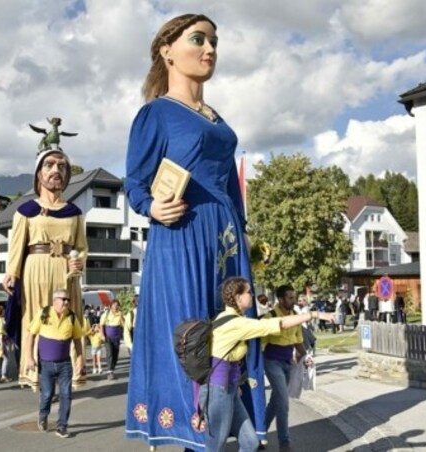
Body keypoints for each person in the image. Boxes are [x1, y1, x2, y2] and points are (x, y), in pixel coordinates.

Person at [124, 13, 265, 450]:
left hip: (225, 239)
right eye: (198, 39)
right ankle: (196, 436)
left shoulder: (217, 119)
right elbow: (134, 181)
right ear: (166, 50)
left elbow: (229, 185)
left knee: (233, 338)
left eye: (214, 42)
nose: (209, 50)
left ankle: (236, 434)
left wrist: (244, 235)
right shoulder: (157, 114)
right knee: (197, 342)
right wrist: (152, 207)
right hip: (183, 234)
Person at [203, 277, 322, 451]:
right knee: (215, 446)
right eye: (249, 292)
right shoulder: (236, 323)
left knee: (250, 442)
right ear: (238, 298)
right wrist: (313, 314)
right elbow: (278, 324)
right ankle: (284, 442)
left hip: (228, 388)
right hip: (218, 389)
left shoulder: (230, 318)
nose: (252, 295)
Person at [3, 148, 87, 391]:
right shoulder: (25, 211)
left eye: (61, 167)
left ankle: (72, 370)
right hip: (35, 269)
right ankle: (34, 371)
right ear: (39, 174)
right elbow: (17, 246)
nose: (56, 171)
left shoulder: (75, 213)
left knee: (68, 318)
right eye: (49, 165)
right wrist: (12, 272)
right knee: (36, 319)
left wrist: (78, 260)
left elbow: (81, 247)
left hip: (66, 271)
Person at [263, 285, 334, 451]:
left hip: (288, 362)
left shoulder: (295, 315)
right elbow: (261, 345)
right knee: (283, 401)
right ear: (280, 300)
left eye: (294, 297)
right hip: (272, 362)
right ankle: (285, 443)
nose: (294, 301)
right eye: (290, 298)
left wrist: (305, 357)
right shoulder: (270, 316)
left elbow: (297, 339)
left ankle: (260, 433)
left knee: (276, 401)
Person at [26, 289, 83, 438]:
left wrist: (80, 359)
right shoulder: (44, 313)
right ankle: (43, 416)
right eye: (63, 299)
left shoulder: (71, 317)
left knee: (66, 395)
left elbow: (77, 339)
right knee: (47, 394)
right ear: (55, 301)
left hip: (65, 364)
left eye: (68, 300)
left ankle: (62, 426)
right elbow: (31, 335)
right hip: (46, 364)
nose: (66, 302)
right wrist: (29, 358)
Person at [100, 300, 125, 380]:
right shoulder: (106, 314)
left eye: (117, 305)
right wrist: (102, 335)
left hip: (116, 337)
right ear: (110, 306)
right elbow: (101, 325)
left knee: (115, 355)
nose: (115, 306)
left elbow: (123, 324)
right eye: (114, 305)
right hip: (108, 337)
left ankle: (112, 368)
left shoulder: (120, 314)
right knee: (109, 353)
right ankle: (110, 372)